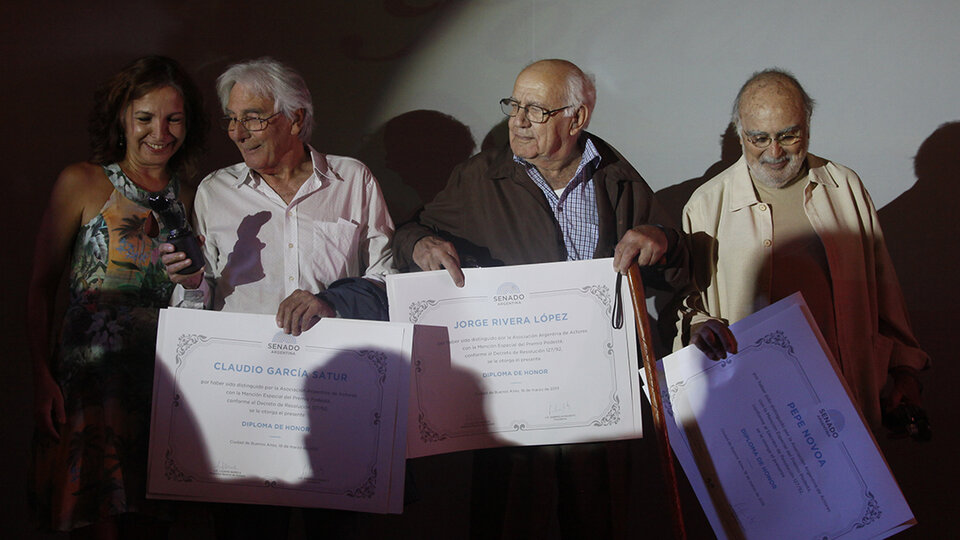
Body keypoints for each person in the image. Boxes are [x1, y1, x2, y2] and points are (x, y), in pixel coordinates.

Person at [393, 59, 688, 539]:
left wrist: (663, 240)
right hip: (514, 389)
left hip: (595, 390)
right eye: (514, 105)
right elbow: (411, 229)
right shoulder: (478, 178)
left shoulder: (616, 178)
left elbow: (673, 267)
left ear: (577, 119)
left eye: (536, 109)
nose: (518, 120)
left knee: (597, 517)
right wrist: (418, 245)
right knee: (508, 518)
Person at [161, 57, 394, 539]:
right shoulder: (214, 192)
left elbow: (388, 281)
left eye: (253, 117)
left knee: (335, 529)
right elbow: (197, 305)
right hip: (246, 398)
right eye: (231, 118)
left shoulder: (353, 182)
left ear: (297, 119)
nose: (237, 132)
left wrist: (332, 302)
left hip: (335, 393)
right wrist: (190, 285)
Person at [675, 68, 928, 430]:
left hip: (845, 393)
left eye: (788, 135)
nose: (774, 152)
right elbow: (688, 305)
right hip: (755, 404)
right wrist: (700, 326)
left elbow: (884, 287)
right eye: (758, 138)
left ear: (807, 126)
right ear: (739, 133)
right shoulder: (705, 205)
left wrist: (907, 371)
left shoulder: (846, 188)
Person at [27, 55, 206, 538]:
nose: (160, 132)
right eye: (145, 117)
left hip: (163, 392)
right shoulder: (82, 181)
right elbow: (40, 287)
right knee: (93, 522)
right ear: (121, 119)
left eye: (174, 119)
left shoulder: (195, 199)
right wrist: (42, 377)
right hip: (88, 390)